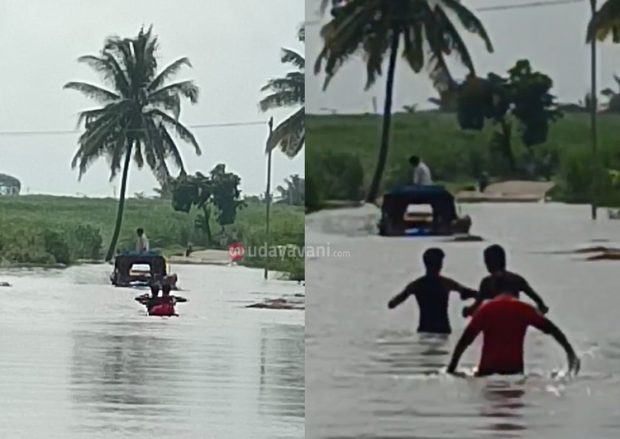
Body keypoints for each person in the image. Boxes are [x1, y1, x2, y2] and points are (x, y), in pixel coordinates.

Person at [447, 275, 580, 376]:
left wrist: (451, 369)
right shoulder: (525, 310)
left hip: (486, 372)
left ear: (494, 290)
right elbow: (553, 330)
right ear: (516, 290)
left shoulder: (485, 310)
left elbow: (465, 340)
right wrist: (570, 353)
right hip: (514, 372)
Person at [388, 248, 477, 334]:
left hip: (425, 329)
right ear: (439, 264)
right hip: (443, 329)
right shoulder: (446, 283)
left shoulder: (417, 284)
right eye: (439, 263)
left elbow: (393, 303)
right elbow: (468, 293)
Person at [463, 244, 549, 317]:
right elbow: (538, 300)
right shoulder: (516, 279)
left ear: (488, 263)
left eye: (486, 261)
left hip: (495, 320)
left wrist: (467, 311)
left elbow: (477, 305)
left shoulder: (487, 282)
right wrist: (541, 310)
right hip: (514, 319)